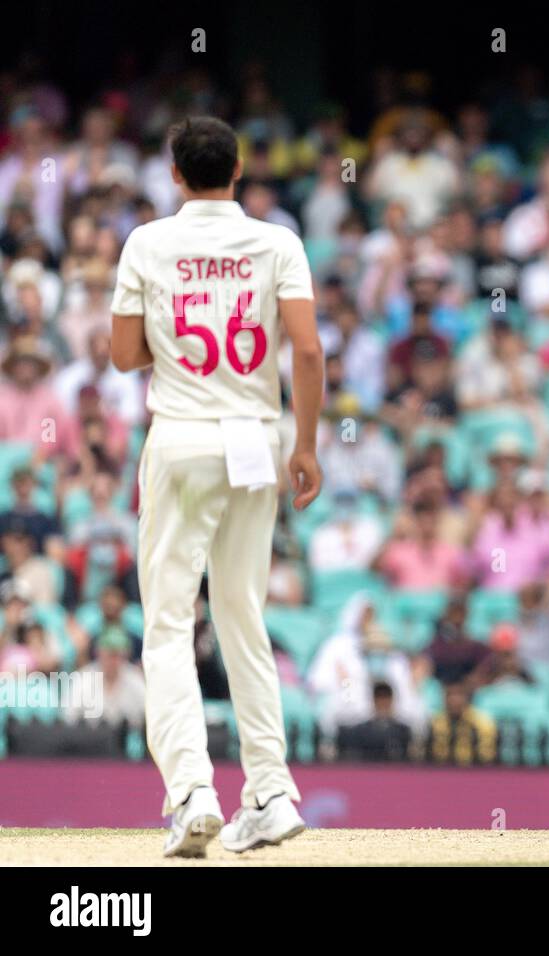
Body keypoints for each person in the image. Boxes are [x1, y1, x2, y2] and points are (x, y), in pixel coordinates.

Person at [109, 117, 323, 858]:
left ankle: (193, 792)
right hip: (258, 441)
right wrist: (307, 444)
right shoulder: (277, 243)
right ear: (238, 172)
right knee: (243, 615)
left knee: (169, 622)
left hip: (183, 439)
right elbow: (308, 349)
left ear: (175, 174)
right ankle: (269, 791)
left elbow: (122, 353)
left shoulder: (147, 242)